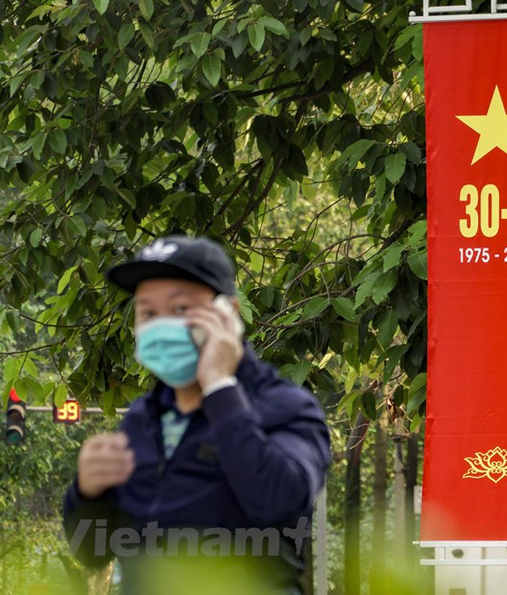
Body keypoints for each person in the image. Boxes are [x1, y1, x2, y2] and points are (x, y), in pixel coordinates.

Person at [63, 235, 331, 594]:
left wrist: (219, 387)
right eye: (148, 313)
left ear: (228, 314)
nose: (161, 325)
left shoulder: (286, 407)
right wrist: (87, 493)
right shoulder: (143, 417)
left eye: (180, 309)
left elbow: (281, 503)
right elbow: (92, 551)